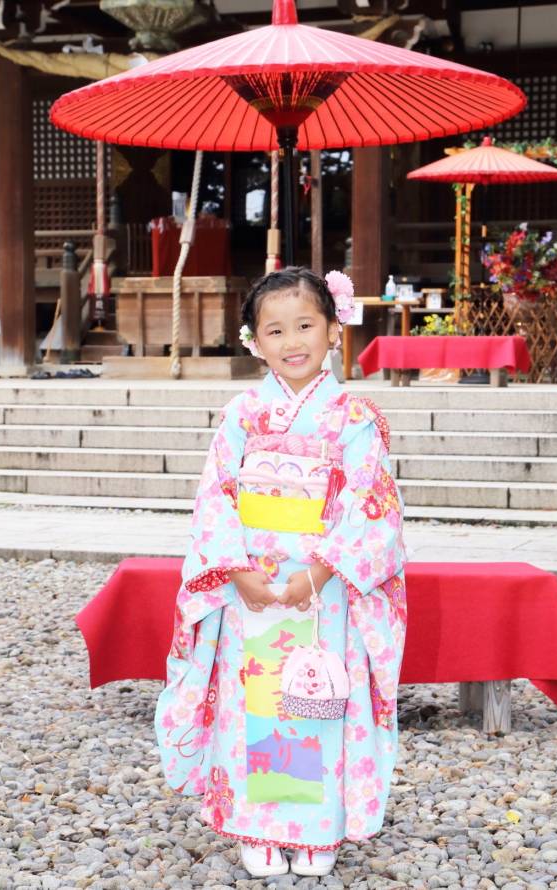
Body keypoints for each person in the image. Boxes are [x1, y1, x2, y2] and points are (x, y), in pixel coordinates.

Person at [155, 266, 407, 878]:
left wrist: (320, 572)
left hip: (325, 589)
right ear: (253, 340)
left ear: (332, 331)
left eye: (305, 325)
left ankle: (319, 832)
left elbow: (373, 503)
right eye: (275, 330)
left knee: (317, 699)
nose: (292, 341)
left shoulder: (354, 417)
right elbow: (214, 497)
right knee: (255, 700)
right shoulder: (242, 413)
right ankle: (257, 825)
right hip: (252, 588)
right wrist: (236, 570)